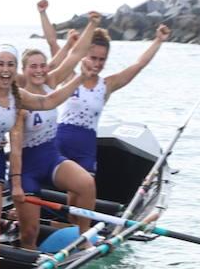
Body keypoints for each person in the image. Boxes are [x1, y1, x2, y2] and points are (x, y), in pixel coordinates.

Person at [0, 1, 75, 269]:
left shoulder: (17, 96)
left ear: (15, 70)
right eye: (1, 63)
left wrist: (79, 79)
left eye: (10, 65)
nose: (5, 69)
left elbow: (49, 101)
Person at [8, 40, 97, 247]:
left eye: (42, 66)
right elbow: (15, 150)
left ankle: (83, 237)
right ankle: (28, 261)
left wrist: (92, 24)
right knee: (29, 233)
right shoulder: (20, 101)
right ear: (24, 70)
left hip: (50, 158)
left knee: (86, 184)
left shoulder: (51, 83)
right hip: (27, 168)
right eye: (33, 66)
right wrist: (16, 184)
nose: (39, 71)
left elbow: (75, 54)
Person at [56, 23, 170, 177]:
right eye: (93, 58)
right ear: (84, 55)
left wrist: (158, 41)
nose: (97, 64)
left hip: (86, 147)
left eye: (102, 59)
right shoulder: (69, 77)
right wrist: (44, 14)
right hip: (61, 142)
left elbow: (139, 64)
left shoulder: (107, 85)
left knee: (82, 193)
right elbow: (54, 48)